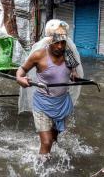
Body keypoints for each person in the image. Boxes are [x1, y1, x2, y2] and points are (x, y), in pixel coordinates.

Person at [16, 19, 81, 162]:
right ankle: (43, 169)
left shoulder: (68, 53)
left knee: (54, 138)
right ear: (49, 40)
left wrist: (74, 74)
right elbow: (21, 70)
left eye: (63, 42)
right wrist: (20, 78)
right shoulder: (38, 55)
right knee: (46, 142)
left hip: (62, 103)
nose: (60, 46)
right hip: (43, 104)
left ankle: (54, 162)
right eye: (56, 42)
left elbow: (73, 71)